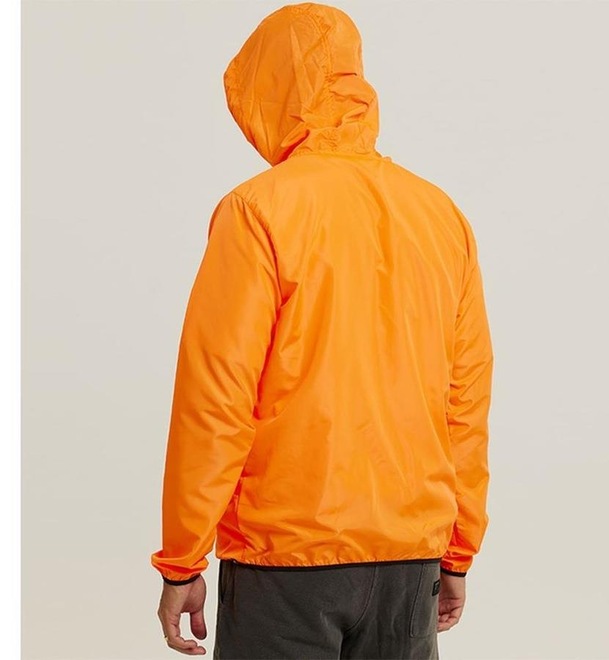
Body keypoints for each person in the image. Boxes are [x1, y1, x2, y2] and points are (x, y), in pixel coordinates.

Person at [151, 2, 494, 658]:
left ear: (272, 91)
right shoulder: (439, 214)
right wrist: (457, 550)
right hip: (409, 557)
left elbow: (216, 398)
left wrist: (182, 560)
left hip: (285, 558)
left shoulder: (258, 210)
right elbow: (466, 403)